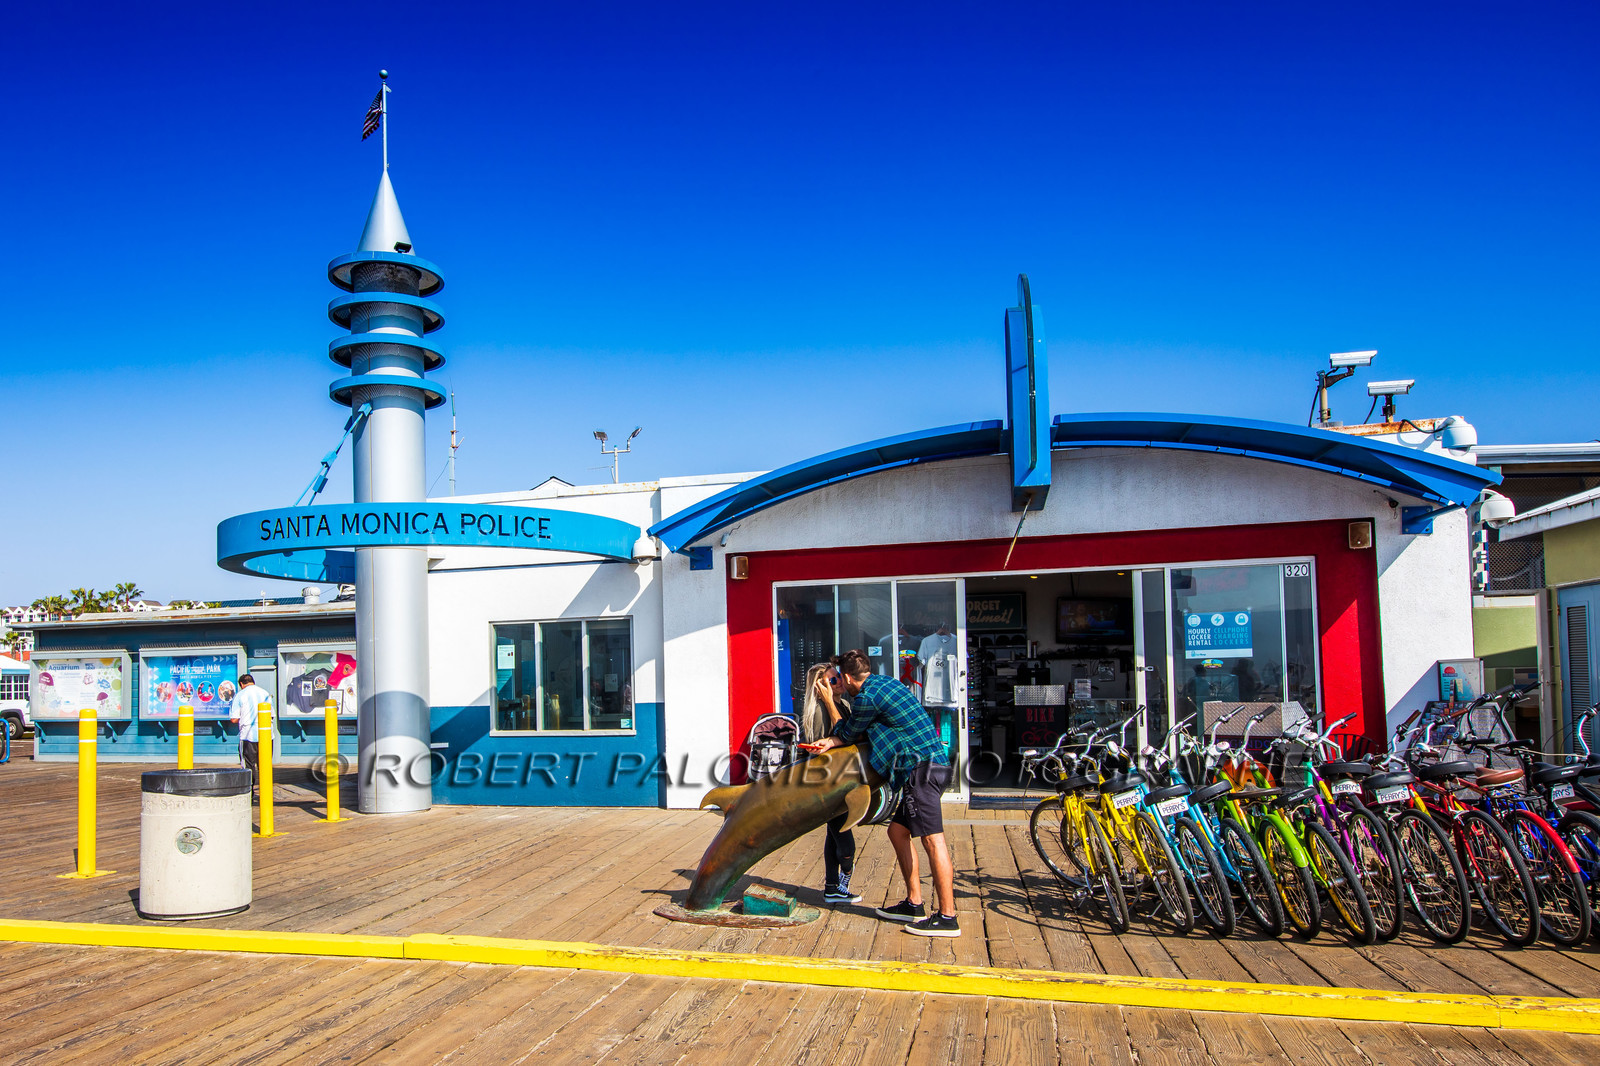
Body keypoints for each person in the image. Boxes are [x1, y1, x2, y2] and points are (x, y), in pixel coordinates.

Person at [800, 648, 959, 937]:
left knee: (933, 842)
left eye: (839, 680)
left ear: (848, 677)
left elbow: (847, 734)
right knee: (897, 832)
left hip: (921, 770)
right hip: (930, 767)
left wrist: (832, 723)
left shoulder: (866, 698)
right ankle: (914, 903)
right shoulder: (888, 683)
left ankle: (947, 917)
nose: (839, 685)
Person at [800, 661, 860, 903]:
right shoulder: (816, 712)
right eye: (832, 680)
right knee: (844, 838)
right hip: (830, 783)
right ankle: (843, 877)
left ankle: (832, 887)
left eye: (838, 678)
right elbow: (820, 752)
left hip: (844, 778)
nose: (839, 683)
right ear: (820, 685)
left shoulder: (844, 704)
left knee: (833, 833)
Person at [230, 673, 274, 791]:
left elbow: (234, 719)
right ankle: (266, 794)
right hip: (267, 735)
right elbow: (272, 715)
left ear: (241, 684)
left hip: (248, 735)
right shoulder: (265, 693)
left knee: (248, 766)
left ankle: (249, 793)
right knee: (265, 765)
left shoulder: (240, 695)